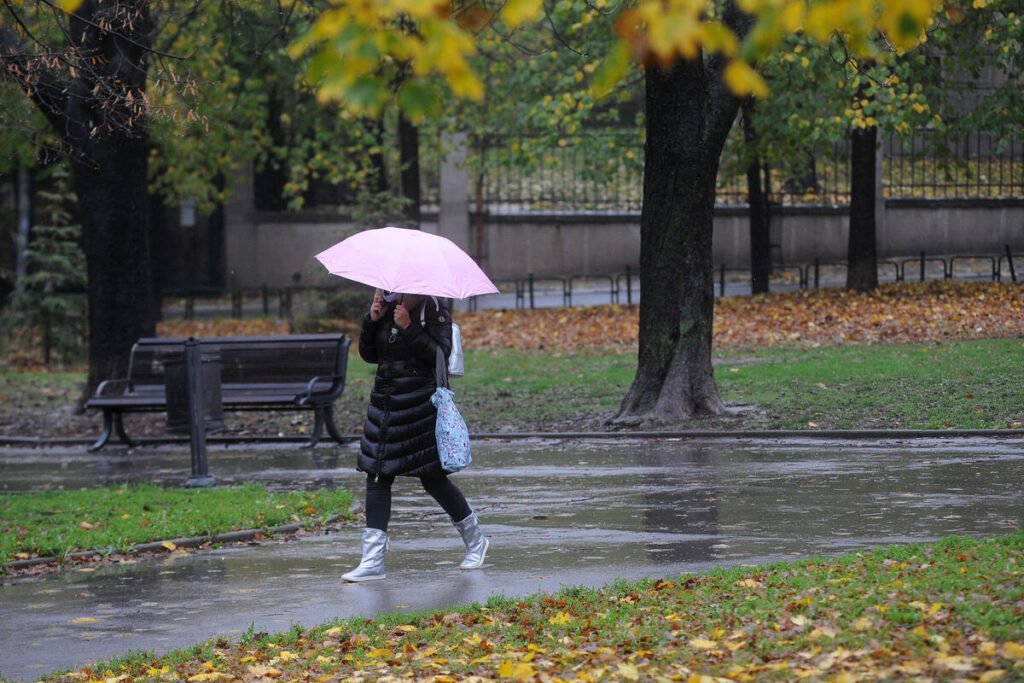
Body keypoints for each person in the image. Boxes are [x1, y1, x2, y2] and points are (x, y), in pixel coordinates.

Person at [342, 289, 489, 582]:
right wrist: (372, 320)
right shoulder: (388, 306)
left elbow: (439, 354)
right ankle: (372, 561)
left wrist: (410, 327)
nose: (393, 290)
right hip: (384, 405)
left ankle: (476, 541)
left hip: (420, 406)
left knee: (432, 477)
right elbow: (370, 355)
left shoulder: (433, 309)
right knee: (376, 474)